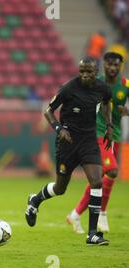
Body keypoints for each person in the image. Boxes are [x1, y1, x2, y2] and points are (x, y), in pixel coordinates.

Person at [24, 57, 113, 246]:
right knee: (60, 188)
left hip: (89, 141)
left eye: (88, 72)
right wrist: (59, 129)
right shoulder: (69, 88)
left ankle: (92, 234)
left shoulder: (102, 88)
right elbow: (48, 111)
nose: (84, 75)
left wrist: (109, 125)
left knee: (97, 182)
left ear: (95, 73)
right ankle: (35, 199)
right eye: (81, 71)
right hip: (68, 142)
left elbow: (106, 103)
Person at [67, 52, 129, 234]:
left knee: (99, 179)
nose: (112, 67)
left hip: (115, 134)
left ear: (121, 66)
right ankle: (102, 213)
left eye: (115, 64)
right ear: (104, 65)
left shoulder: (125, 85)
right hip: (96, 133)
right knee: (113, 170)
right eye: (109, 64)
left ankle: (75, 214)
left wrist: (125, 111)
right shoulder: (95, 82)